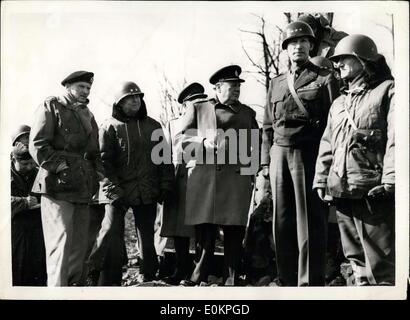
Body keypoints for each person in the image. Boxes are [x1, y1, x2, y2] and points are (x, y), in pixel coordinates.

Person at [261, 21, 340, 286]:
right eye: (292, 43)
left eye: (303, 42)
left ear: (311, 45)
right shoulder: (277, 83)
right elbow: (267, 126)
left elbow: (334, 124)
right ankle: (286, 279)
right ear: (285, 49)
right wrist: (265, 163)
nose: (298, 47)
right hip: (278, 156)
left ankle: (309, 283)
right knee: (281, 221)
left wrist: (327, 164)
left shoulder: (325, 78)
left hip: (309, 155)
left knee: (310, 221)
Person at [313, 34, 395, 285]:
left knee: (381, 263)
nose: (338, 64)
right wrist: (321, 179)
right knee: (355, 260)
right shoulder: (338, 102)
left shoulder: (387, 91)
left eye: (345, 58)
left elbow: (397, 138)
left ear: (364, 59)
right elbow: (327, 143)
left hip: (373, 190)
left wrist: (391, 178)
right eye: (336, 60)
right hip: (341, 191)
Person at [180, 65, 259, 286]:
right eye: (231, 86)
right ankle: (199, 276)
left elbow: (256, 144)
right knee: (205, 230)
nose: (236, 90)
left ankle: (232, 278)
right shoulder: (200, 108)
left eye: (238, 86)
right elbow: (181, 140)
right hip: (206, 178)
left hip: (236, 178)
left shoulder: (247, 113)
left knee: (234, 229)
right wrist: (202, 142)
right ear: (217, 87)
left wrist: (253, 174)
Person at [29, 70, 101, 286]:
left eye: (88, 88)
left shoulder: (87, 114)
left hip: (82, 187)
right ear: (68, 87)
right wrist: (57, 166)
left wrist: (98, 177)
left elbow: (94, 152)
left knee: (78, 250)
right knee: (60, 246)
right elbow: (38, 144)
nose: (86, 91)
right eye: (81, 87)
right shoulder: (51, 106)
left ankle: (71, 292)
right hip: (56, 186)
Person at [98, 81, 174, 285]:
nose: (135, 100)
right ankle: (109, 279)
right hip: (118, 192)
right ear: (119, 103)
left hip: (146, 189)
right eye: (129, 98)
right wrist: (114, 190)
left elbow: (165, 158)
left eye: (138, 96)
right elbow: (103, 162)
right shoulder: (109, 127)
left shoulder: (153, 125)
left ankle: (148, 274)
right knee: (112, 233)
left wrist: (166, 184)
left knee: (147, 234)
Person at [160, 82, 208, 285]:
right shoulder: (173, 124)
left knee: (202, 227)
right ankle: (181, 269)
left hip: (203, 177)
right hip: (179, 177)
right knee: (178, 227)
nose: (196, 106)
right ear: (184, 105)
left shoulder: (209, 122)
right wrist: (166, 182)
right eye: (192, 102)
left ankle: (199, 272)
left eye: (200, 101)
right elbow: (165, 154)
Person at [11, 138, 47, 286]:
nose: (30, 167)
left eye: (32, 163)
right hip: (15, 233)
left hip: (37, 231)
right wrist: (23, 202)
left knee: (38, 272)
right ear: (14, 159)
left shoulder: (37, 173)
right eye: (25, 164)